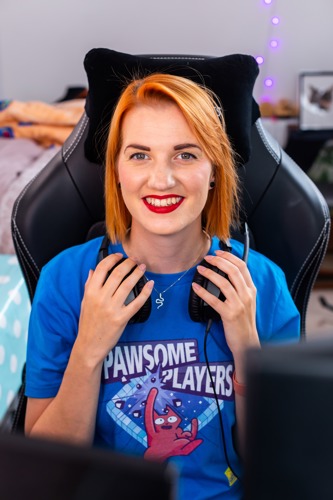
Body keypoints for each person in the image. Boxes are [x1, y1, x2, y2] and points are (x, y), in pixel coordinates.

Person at [24, 73, 300, 499]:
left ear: (214, 170)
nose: (161, 180)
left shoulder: (262, 283)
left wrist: (247, 349)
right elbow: (44, 473)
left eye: (185, 155)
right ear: (116, 171)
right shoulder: (65, 281)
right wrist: (89, 349)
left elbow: (281, 464)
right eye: (139, 156)